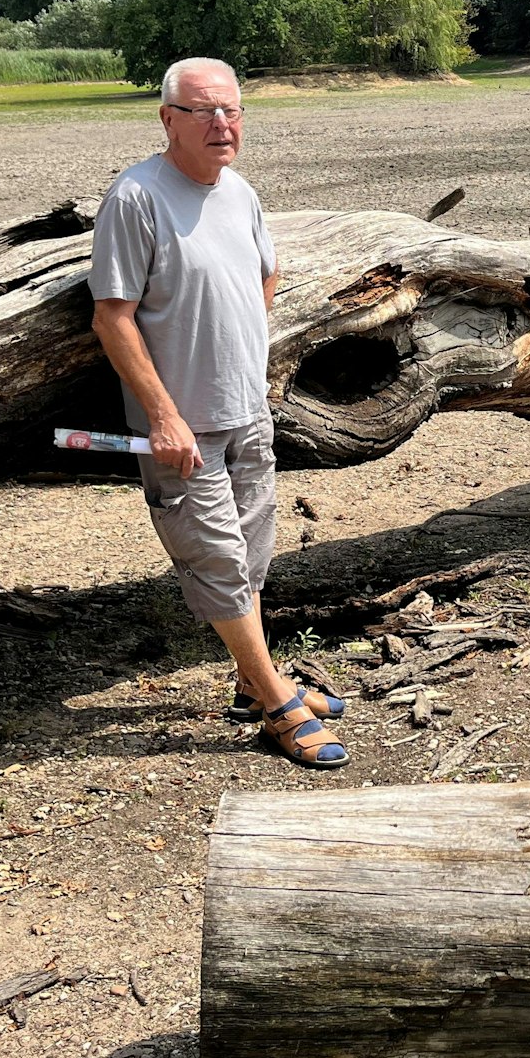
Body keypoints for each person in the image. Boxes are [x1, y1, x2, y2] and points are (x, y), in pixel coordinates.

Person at [87, 56, 349, 769]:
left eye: (231, 110)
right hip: (181, 428)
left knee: (252, 556)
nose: (222, 124)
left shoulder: (241, 194)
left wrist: (248, 360)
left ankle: (248, 682)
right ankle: (277, 704)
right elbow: (113, 318)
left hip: (247, 413)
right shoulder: (136, 197)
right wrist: (162, 416)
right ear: (168, 119)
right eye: (203, 111)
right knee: (217, 561)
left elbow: (266, 273)